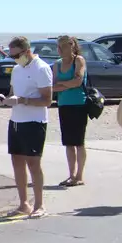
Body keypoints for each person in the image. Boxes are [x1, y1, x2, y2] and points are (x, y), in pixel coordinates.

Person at [1, 36, 53, 217]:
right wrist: (6, 100)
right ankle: (23, 204)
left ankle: (39, 205)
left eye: (17, 55)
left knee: (33, 162)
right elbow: (13, 93)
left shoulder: (42, 68)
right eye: (12, 56)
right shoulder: (16, 69)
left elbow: (47, 100)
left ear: (27, 51)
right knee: (17, 161)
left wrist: (23, 100)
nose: (15, 59)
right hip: (16, 120)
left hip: (35, 121)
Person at [54, 35, 90, 187]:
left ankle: (79, 176)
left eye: (63, 46)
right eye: (59, 46)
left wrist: (64, 84)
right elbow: (53, 86)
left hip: (79, 105)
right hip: (64, 105)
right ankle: (71, 175)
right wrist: (67, 84)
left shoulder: (79, 60)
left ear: (71, 46)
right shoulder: (57, 64)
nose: (60, 50)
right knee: (68, 142)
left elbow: (78, 81)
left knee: (79, 142)